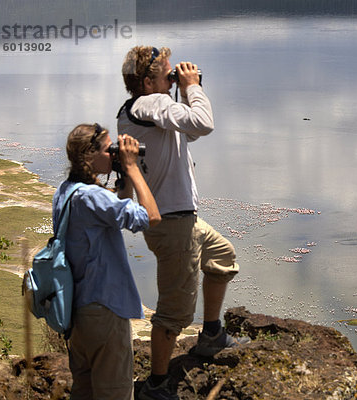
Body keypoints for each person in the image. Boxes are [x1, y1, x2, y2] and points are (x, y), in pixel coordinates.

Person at [118, 46, 248, 400]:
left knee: (222, 257)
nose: (174, 77)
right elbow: (203, 124)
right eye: (168, 75)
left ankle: (211, 335)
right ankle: (157, 385)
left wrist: (179, 90)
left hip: (180, 221)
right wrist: (192, 87)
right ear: (147, 81)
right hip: (174, 224)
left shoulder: (145, 108)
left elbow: (187, 132)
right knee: (174, 312)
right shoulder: (150, 105)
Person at [55, 123, 161, 399]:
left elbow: (111, 218)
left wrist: (122, 177)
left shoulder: (67, 192)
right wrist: (134, 169)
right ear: (89, 157)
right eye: (108, 150)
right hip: (105, 310)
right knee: (115, 392)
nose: (114, 154)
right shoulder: (92, 196)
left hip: (78, 314)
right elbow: (150, 217)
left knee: (85, 391)